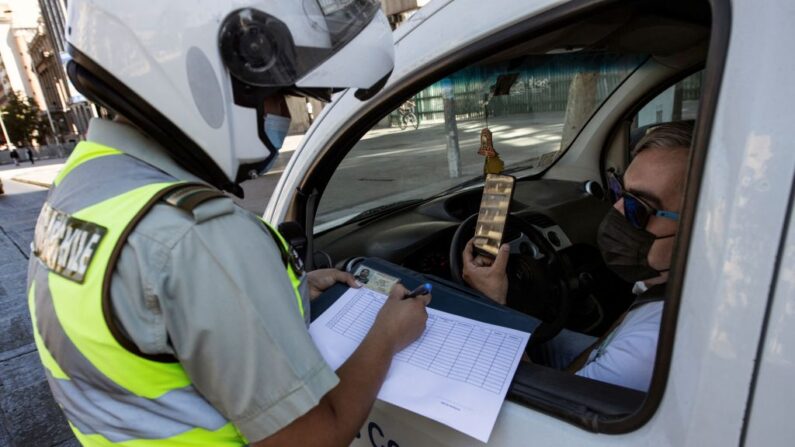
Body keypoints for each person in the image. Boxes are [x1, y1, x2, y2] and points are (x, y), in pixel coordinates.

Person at [27, 2, 429, 446]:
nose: (279, 112)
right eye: (277, 93)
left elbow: (148, 324)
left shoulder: (83, 183)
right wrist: (388, 334)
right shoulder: (198, 235)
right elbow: (315, 438)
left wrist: (288, 288)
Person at [462, 122, 692, 391]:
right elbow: (603, 348)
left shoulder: (649, 348)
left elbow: (542, 407)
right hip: (594, 360)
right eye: (620, 191)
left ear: (697, 228)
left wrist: (493, 306)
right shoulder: (668, 281)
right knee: (540, 334)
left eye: (638, 206)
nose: (616, 210)